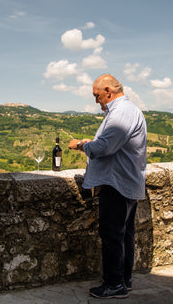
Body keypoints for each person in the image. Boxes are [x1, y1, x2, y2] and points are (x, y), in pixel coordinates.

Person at [68, 74, 147, 299]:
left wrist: (81, 145)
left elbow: (104, 148)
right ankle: (124, 279)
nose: (96, 101)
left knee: (112, 235)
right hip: (127, 182)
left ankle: (114, 284)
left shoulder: (120, 113)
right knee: (124, 235)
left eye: (97, 96)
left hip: (116, 183)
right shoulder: (130, 110)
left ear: (108, 92)